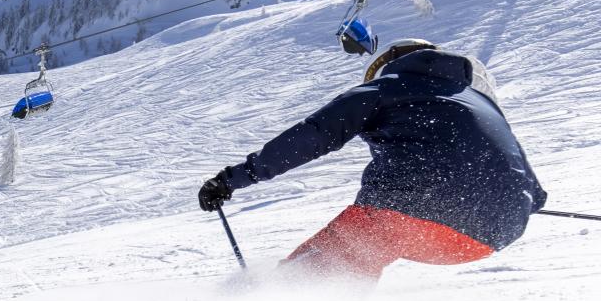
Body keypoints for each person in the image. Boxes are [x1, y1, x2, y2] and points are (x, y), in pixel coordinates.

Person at [198, 40, 546, 281]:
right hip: (491, 235)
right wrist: (484, 199)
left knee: (340, 253)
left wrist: (231, 179)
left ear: (387, 66)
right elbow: (537, 196)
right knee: (368, 248)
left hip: (412, 215)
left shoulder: (387, 88)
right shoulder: (481, 104)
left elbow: (313, 136)